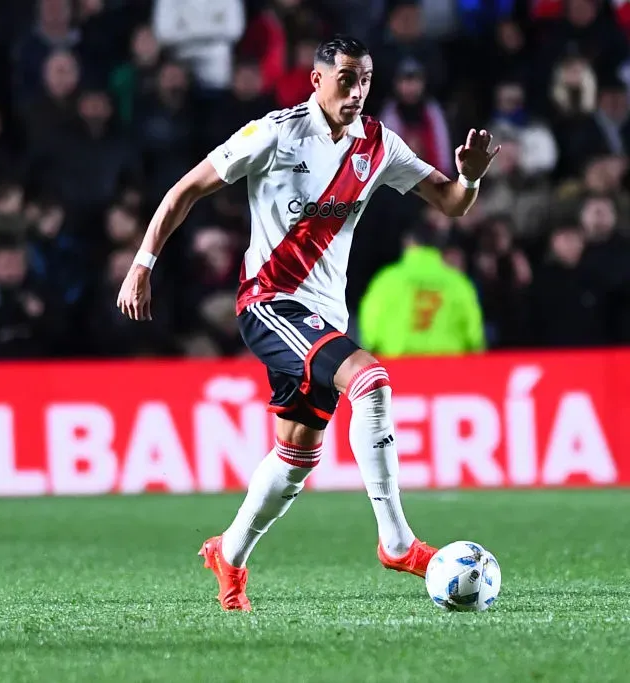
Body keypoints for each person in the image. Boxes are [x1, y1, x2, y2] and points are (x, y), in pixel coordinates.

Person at [116, 35, 499, 612]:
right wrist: (142, 264)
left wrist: (468, 178)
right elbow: (185, 191)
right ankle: (397, 542)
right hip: (268, 302)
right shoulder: (273, 133)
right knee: (370, 380)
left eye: (366, 79)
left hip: (323, 316)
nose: (358, 90)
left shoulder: (379, 144)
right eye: (346, 78)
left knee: (296, 455)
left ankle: (230, 554)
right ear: (316, 80)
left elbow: (449, 203)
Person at [358, 223, 486, 358]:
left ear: (409, 243)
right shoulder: (458, 282)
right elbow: (474, 333)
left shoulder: (387, 280)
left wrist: (370, 349)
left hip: (399, 367)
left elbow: (370, 324)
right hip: (447, 368)